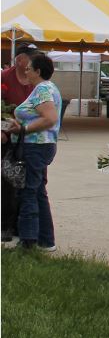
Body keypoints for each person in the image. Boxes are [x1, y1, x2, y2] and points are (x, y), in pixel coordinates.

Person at [5, 52, 61, 250]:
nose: (25, 71)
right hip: (39, 145)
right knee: (37, 192)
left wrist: (23, 129)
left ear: (38, 71)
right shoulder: (44, 88)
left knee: (28, 192)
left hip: (35, 146)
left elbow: (50, 118)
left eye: (29, 68)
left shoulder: (43, 89)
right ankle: (46, 241)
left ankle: (28, 241)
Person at [2, 44, 43, 243]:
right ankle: (6, 225)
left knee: (29, 183)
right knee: (8, 181)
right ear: (20, 59)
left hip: (31, 139)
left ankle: (22, 225)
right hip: (8, 137)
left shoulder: (38, 81)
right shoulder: (4, 78)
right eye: (31, 57)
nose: (34, 60)